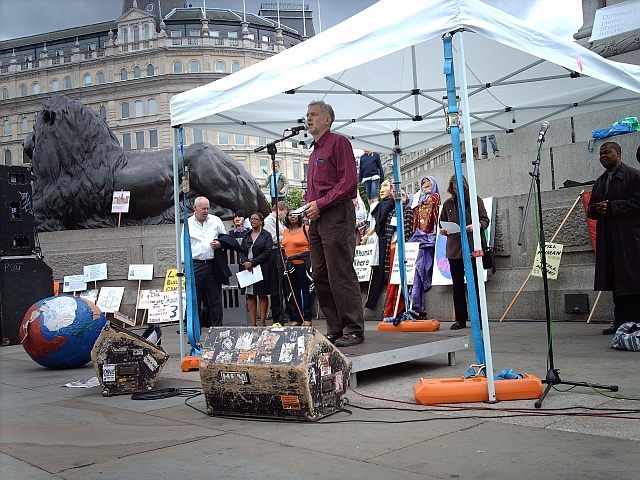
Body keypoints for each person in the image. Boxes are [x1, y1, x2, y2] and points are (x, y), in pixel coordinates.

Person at [304, 100, 365, 347]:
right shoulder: (313, 152)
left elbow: (349, 182)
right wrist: (308, 207)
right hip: (318, 217)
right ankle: (335, 327)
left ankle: (353, 328)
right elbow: (312, 190)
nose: (308, 118)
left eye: (314, 114)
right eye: (307, 114)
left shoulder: (338, 143)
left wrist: (321, 204)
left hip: (337, 213)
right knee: (319, 273)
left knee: (340, 271)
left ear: (327, 119)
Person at [587, 142, 640, 335]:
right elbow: (591, 208)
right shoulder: (600, 181)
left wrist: (612, 207)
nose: (602, 156)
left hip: (629, 239)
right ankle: (620, 321)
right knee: (616, 282)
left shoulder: (634, 176)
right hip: (608, 238)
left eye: (606, 152)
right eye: (600, 154)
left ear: (618, 153)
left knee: (632, 281)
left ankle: (634, 323)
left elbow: (637, 202)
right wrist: (597, 209)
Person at [439, 175, 489, 330]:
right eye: (453, 188)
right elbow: (442, 223)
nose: (456, 191)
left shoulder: (475, 200)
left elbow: (485, 220)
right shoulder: (447, 204)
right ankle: (461, 319)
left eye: (458, 188)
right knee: (458, 286)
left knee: (475, 284)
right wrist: (444, 230)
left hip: (473, 247)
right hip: (454, 249)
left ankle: (480, 318)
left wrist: (476, 225)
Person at [181, 196, 227, 328]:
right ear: (195, 208)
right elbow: (184, 245)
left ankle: (217, 329)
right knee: (195, 299)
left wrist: (219, 243)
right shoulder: (188, 223)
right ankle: (193, 330)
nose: (206, 211)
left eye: (208, 208)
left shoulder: (215, 221)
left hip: (212, 264)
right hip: (196, 264)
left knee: (215, 300)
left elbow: (225, 238)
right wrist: (185, 266)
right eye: (203, 208)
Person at [407, 176, 441, 312]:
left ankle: (416, 300)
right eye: (424, 186)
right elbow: (416, 219)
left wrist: (435, 231)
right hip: (419, 236)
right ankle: (415, 301)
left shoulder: (435, 197)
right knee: (417, 269)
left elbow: (435, 214)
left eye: (428, 185)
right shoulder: (419, 201)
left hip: (429, 236)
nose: (426, 188)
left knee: (423, 265)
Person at [361, 179, 396, 311]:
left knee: (381, 268)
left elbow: (383, 222)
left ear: (391, 189)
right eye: (381, 186)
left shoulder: (391, 203)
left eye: (385, 186)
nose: (381, 189)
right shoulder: (382, 204)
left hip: (387, 239)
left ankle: (374, 302)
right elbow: (377, 225)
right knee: (376, 269)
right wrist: (367, 235)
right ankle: (371, 302)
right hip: (380, 239)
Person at [239, 212, 275, 327]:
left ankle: (263, 321)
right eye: (251, 219)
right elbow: (241, 250)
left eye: (255, 219)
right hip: (247, 268)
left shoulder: (266, 235)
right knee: (250, 295)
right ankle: (253, 323)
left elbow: (268, 252)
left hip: (261, 267)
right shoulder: (246, 235)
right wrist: (245, 262)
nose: (253, 221)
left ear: (261, 221)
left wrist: (253, 262)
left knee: (262, 294)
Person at [282, 208, 315, 326]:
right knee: (293, 291)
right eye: (290, 215)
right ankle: (297, 317)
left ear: (300, 217)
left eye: (295, 214)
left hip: (303, 264)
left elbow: (313, 245)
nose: (292, 216)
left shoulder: (306, 229)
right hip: (290, 265)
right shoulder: (285, 231)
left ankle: (307, 318)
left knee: (306, 291)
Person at [263, 200, 288, 326]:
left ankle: (281, 314)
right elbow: (273, 237)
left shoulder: (278, 222)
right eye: (284, 213)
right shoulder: (269, 221)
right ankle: (277, 315)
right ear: (279, 210)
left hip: (281, 252)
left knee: (282, 285)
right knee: (276, 285)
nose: (284, 216)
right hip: (274, 253)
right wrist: (288, 237)